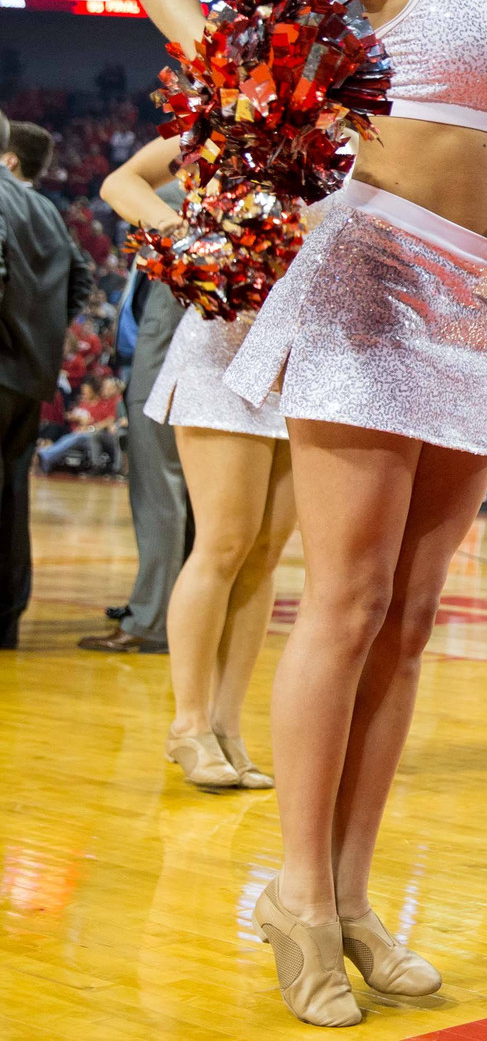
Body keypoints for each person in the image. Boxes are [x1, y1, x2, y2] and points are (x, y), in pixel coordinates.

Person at [129, 0, 487, 1025]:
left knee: (409, 617)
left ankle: (345, 896)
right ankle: (293, 892)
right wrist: (245, 84)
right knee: (342, 602)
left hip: (474, 313)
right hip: (366, 281)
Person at [88, 136, 298, 788]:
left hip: (305, 361)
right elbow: (120, 184)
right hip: (223, 342)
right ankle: (188, 724)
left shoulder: (356, 134)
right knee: (225, 543)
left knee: (264, 553)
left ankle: (228, 726)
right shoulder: (229, 124)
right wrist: (184, 234)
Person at [80, 178, 191, 656]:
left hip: (165, 361)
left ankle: (151, 619)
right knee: (183, 496)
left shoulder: (169, 200)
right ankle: (175, 610)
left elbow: (119, 181)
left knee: (157, 491)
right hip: (183, 363)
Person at [0, 115, 92, 649]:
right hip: (30, 377)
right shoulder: (50, 211)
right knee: (13, 497)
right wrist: (43, 333)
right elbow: (80, 276)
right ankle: (7, 619)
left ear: (9, 160)